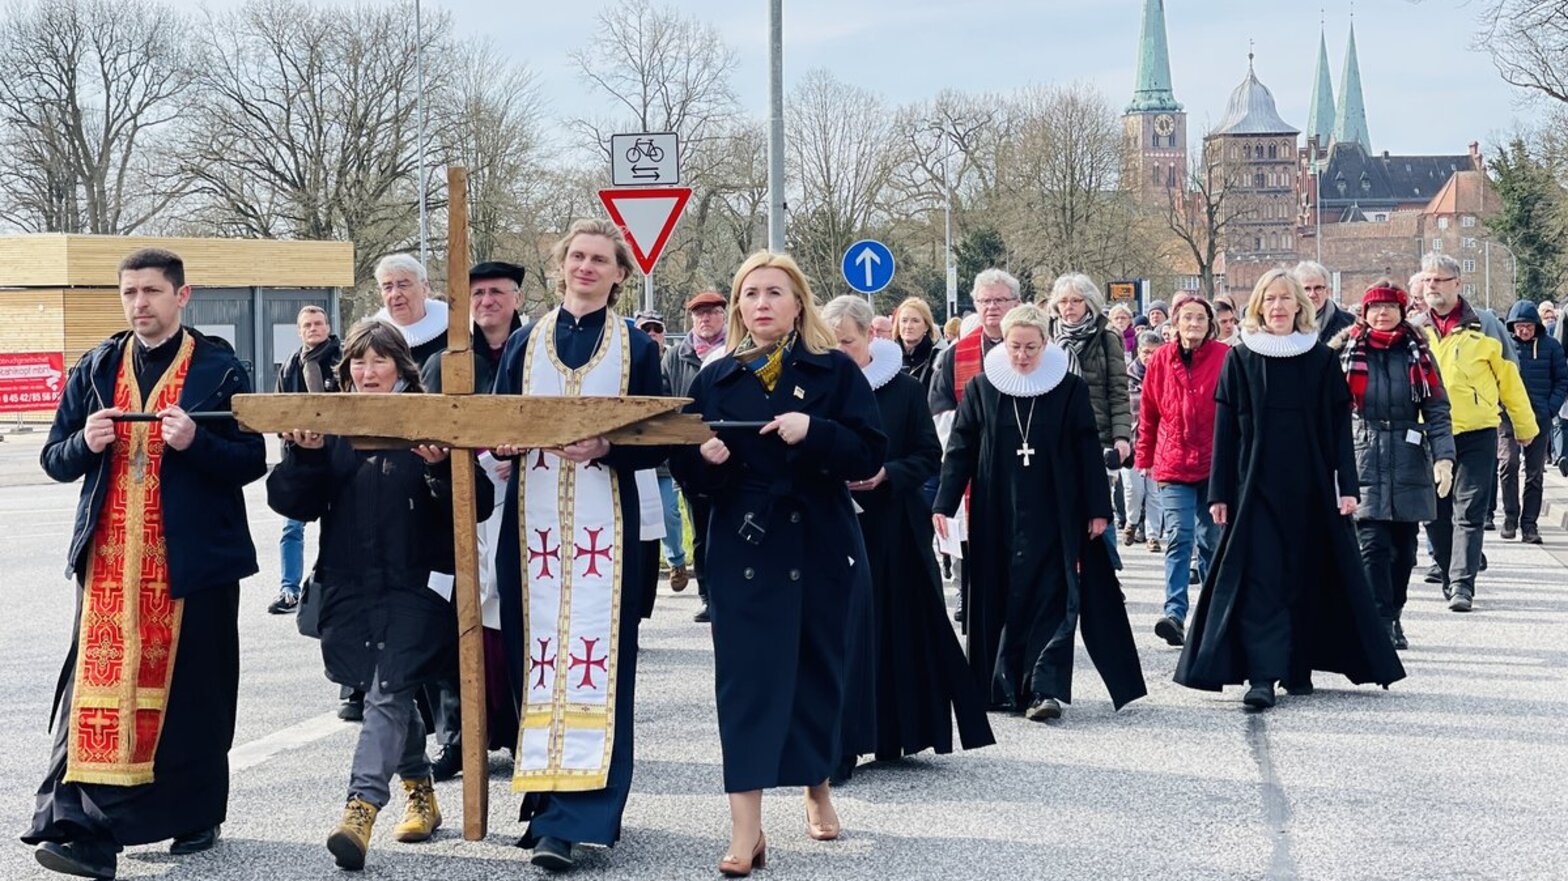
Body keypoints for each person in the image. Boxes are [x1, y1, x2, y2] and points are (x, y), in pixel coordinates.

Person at [25, 248, 266, 880]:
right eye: (130, 292)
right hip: (108, 566)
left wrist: (197, 443)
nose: (140, 304)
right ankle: (80, 827)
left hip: (192, 567)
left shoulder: (219, 367)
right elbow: (54, 457)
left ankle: (196, 813)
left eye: (152, 291)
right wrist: (85, 443)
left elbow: (251, 462)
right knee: (94, 697)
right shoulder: (97, 367)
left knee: (194, 695)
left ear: (182, 296)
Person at [669, 252, 886, 878]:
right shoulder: (715, 377)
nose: (761, 303)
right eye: (751, 293)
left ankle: (817, 785)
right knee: (746, 685)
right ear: (739, 306)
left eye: (774, 292)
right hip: (745, 545)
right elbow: (687, 471)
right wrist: (703, 461)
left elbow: (869, 453)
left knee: (818, 670)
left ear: (798, 305)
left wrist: (815, 430)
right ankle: (746, 830)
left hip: (820, 541)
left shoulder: (834, 370)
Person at [267, 321, 489, 871]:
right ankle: (420, 790)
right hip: (350, 583)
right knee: (380, 688)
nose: (368, 373)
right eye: (358, 363)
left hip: (418, 585)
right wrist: (305, 456)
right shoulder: (331, 424)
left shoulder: (432, 417)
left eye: (379, 362)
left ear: (401, 368)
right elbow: (293, 504)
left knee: (389, 688)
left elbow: (477, 502)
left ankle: (360, 808)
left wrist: (440, 467)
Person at [490, 219, 667, 872]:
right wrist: (503, 443)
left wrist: (607, 446)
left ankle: (579, 818)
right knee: (535, 661)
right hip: (531, 531)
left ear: (619, 274)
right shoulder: (525, 340)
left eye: (600, 259)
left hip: (607, 532)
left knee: (598, 664)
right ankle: (543, 803)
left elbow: (658, 433)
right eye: (578, 257)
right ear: (561, 265)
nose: (587, 267)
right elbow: (499, 419)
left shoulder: (635, 346)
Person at [1175, 270, 1405, 711]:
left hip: (1310, 486)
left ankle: (1297, 665)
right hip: (1253, 487)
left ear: (1300, 305)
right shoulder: (1241, 359)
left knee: (1305, 574)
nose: (1278, 307)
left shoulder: (1320, 360)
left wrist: (1348, 486)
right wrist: (1219, 492)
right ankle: (1262, 675)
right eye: (1270, 299)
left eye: (1286, 299)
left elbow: (1338, 430)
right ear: (1258, 306)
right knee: (1262, 577)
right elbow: (1225, 433)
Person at [933, 303, 1146, 723]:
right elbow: (960, 450)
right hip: (997, 510)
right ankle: (1002, 684)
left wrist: (1098, 509)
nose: (1023, 355)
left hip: (1055, 510)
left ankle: (1044, 688)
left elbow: (1087, 449)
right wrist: (944, 502)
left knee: (1051, 595)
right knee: (1002, 596)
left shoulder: (1068, 389)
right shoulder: (981, 388)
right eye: (1015, 346)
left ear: (1045, 344)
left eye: (1031, 347)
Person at [821, 296, 994, 773]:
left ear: (870, 337)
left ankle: (894, 731)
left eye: (847, 342)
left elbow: (927, 455)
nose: (839, 353)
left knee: (892, 628)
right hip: (832, 524)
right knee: (839, 632)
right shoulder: (818, 388)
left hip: (892, 525)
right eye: (830, 344)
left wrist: (887, 474)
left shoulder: (904, 390)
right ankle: (840, 743)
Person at [417, 260, 526, 781]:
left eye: (496, 292)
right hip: (464, 499)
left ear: (516, 298)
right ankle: (461, 735)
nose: (487, 302)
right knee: (461, 613)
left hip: (526, 498)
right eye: (477, 294)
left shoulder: (535, 354)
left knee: (517, 613)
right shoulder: (447, 362)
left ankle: (523, 728)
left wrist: (524, 451)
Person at [1333, 281, 1455, 651]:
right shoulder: (1344, 352)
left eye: (1390, 307)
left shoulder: (1418, 352)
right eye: (1375, 307)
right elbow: (1328, 411)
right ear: (1364, 313)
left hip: (1408, 455)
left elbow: (1436, 408)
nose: (1382, 313)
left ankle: (1394, 612)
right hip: (1362, 452)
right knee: (1373, 546)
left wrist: (1444, 458)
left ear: (1402, 312)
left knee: (1404, 551)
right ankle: (1380, 622)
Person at [1417, 254, 1536, 611]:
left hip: (1476, 432)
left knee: (1468, 511)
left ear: (1458, 283)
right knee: (1434, 513)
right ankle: (1447, 571)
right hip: (1429, 434)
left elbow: (1509, 377)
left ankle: (1462, 585)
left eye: (1440, 279)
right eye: (1427, 279)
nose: (1432, 286)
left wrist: (1523, 425)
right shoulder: (1414, 329)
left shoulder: (1484, 324)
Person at [930, 270, 1023, 626]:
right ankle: (974, 604)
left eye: (1000, 300)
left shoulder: (1033, 347)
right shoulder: (957, 355)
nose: (992, 307)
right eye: (984, 301)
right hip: (977, 466)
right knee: (975, 545)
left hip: (1025, 462)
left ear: (1017, 302)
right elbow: (941, 411)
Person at [1135, 293, 1227, 648]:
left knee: (1210, 539)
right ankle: (1174, 613)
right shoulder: (1160, 359)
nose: (1193, 324)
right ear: (1175, 323)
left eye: (1200, 318)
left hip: (1214, 464)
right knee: (1179, 536)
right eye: (1187, 317)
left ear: (1210, 324)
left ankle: (1211, 614)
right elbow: (1149, 411)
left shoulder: (1224, 357)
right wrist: (1144, 457)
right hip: (1172, 462)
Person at [271, 304, 341, 615]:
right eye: (307, 325)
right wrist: (288, 434)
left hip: (338, 459)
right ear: (299, 331)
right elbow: (279, 410)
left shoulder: (343, 359)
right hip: (301, 460)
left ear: (328, 327)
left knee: (338, 528)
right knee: (292, 527)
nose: (313, 329)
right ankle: (289, 590)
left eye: (318, 323)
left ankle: (330, 589)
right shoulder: (290, 366)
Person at [663, 290, 728, 620]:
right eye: (700, 313)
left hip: (730, 453)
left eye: (712, 312)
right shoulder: (676, 356)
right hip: (690, 455)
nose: (706, 318)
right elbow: (666, 401)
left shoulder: (736, 349)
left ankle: (730, 592)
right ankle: (707, 595)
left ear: (723, 315)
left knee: (730, 526)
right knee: (701, 530)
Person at [1044, 273, 1132, 491]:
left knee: (1098, 503)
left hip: (1096, 435)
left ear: (1089, 302)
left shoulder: (1107, 338)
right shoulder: (1045, 338)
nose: (1069, 306)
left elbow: (1118, 392)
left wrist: (1121, 437)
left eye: (1076, 300)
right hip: (1054, 434)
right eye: (1063, 301)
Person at [1498, 299, 1567, 543]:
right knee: (1508, 465)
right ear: (1512, 327)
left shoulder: (1551, 346)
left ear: (1536, 325)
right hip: (1508, 417)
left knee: (1534, 473)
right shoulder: (1504, 346)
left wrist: (1550, 408)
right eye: (1519, 327)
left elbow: (1562, 380)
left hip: (1539, 416)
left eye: (1528, 326)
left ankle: (1529, 524)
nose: (1524, 331)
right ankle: (1510, 517)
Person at [633, 309, 678, 616]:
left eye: (656, 329)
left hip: (660, 461)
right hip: (636, 462)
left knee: (668, 512)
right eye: (644, 329)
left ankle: (676, 561)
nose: (651, 335)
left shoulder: (669, 360)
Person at [1123, 331, 1165, 551]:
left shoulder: (1166, 375)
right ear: (1138, 351)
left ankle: (1152, 535)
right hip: (1132, 442)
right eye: (1146, 352)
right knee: (1134, 490)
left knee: (1154, 493)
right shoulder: (1126, 377)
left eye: (1154, 353)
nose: (1149, 357)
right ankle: (1131, 520)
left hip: (1159, 443)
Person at [373, 253, 450, 365]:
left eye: (403, 285)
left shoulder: (454, 329)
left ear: (424, 288)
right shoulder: (373, 338)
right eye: (388, 287)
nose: (395, 294)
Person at [1293, 260, 1355, 343]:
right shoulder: (1285, 325)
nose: (1312, 294)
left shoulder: (1350, 324)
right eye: (1306, 289)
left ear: (1327, 292)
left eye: (1318, 288)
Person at [894, 296, 943, 389]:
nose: (908, 326)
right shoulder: (888, 357)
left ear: (926, 326)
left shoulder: (938, 359)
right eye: (904, 321)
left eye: (915, 321)